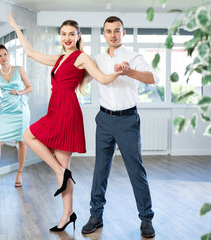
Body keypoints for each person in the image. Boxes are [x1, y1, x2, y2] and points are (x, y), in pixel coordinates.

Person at [7, 14, 126, 232]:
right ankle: (68, 209)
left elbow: (100, 77)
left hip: (68, 111)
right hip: (55, 109)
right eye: (64, 34)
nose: (67, 38)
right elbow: (31, 53)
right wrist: (16, 27)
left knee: (57, 162)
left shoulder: (81, 57)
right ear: (60, 37)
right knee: (35, 143)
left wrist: (117, 73)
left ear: (78, 36)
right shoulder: (60, 58)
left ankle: (65, 212)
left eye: (72, 34)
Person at [81, 16, 159, 238]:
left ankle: (146, 219)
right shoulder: (96, 58)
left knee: (136, 170)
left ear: (123, 33)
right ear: (103, 34)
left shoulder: (133, 56)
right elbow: (84, 79)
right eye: (108, 31)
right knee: (100, 170)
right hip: (104, 119)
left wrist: (128, 72)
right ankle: (96, 216)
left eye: (117, 31)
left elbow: (152, 78)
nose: (113, 35)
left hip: (127, 120)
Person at [0, 44, 33, 191]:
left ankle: (20, 173)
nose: (3, 58)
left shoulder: (19, 69)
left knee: (22, 142)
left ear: (8, 54)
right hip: (6, 111)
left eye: (5, 54)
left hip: (21, 110)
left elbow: (30, 87)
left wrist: (20, 92)